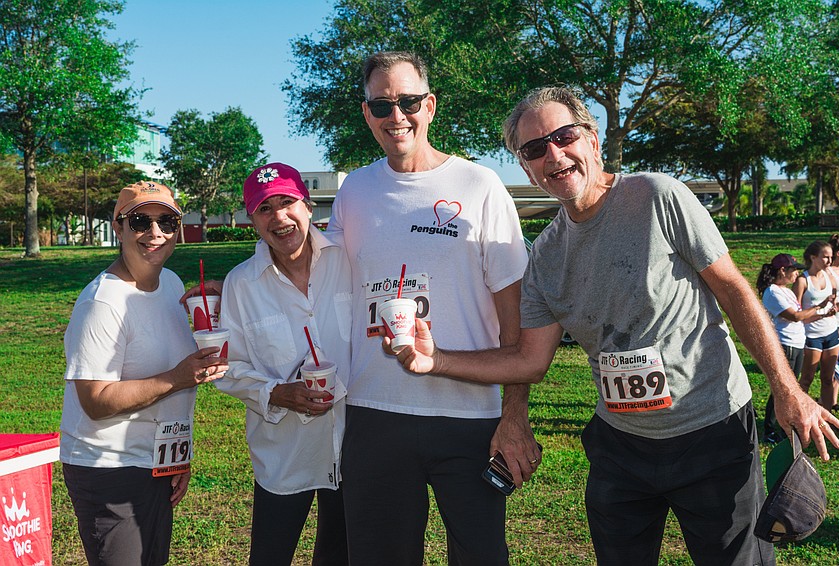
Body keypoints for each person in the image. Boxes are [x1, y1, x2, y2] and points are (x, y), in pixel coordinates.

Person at [388, 86, 839, 565]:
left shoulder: (656, 196)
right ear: (524, 166)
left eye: (564, 137)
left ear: (592, 139)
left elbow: (733, 291)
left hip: (712, 431)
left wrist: (787, 389)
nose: (554, 155)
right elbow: (529, 359)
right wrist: (436, 361)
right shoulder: (544, 257)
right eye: (535, 149)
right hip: (621, 449)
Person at [326, 51, 534, 565]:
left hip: (468, 415)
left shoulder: (479, 185)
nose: (397, 116)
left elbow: (517, 319)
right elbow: (318, 273)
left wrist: (515, 415)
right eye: (382, 105)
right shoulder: (354, 190)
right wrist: (242, 279)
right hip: (375, 413)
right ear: (366, 113)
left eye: (409, 101)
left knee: (481, 556)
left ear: (431, 105)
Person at [60, 181, 228, 566]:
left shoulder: (169, 284)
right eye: (140, 221)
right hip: (109, 469)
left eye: (167, 222)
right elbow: (96, 401)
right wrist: (177, 377)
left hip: (154, 462)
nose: (155, 233)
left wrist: (176, 457)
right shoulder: (103, 302)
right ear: (118, 227)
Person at [215, 162, 351, 565]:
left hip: (352, 446)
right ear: (252, 220)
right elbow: (229, 367)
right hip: (284, 454)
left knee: (339, 556)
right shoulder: (241, 284)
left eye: (287, 202)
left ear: (308, 206)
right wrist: (277, 392)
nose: (279, 216)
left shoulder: (350, 261)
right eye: (264, 208)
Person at [756, 253, 834, 443]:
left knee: (792, 387)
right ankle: (770, 430)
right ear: (783, 270)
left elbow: (803, 317)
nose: (797, 273)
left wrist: (823, 314)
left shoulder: (787, 291)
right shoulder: (772, 292)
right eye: (794, 269)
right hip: (785, 345)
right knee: (781, 390)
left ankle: (784, 427)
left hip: (798, 344)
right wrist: (820, 306)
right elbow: (795, 316)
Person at [793, 240, 839, 412]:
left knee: (828, 378)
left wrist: (835, 308)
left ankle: (827, 418)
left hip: (831, 333)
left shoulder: (830, 277)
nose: (829, 261)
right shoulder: (802, 280)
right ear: (813, 257)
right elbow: (796, 314)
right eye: (825, 257)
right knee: (806, 379)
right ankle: (800, 416)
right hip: (811, 335)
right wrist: (820, 312)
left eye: (831, 257)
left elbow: (834, 302)